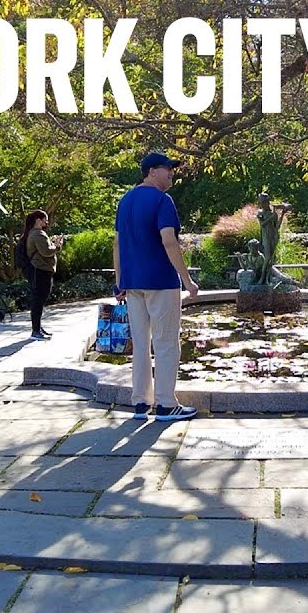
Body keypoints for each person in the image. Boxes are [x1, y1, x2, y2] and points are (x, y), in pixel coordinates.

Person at [114, 151, 200, 422]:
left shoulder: (125, 201)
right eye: (168, 169)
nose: (172, 174)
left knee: (140, 343)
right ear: (152, 171)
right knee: (165, 343)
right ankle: (165, 404)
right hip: (161, 282)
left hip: (133, 284)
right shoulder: (163, 201)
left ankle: (140, 403)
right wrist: (187, 280)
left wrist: (120, 283)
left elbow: (117, 244)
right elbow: (169, 241)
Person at [19, 210, 61, 341]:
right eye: (45, 220)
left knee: (39, 300)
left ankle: (38, 328)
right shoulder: (38, 234)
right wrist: (58, 246)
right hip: (40, 270)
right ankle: (35, 331)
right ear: (38, 220)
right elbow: (46, 251)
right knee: (38, 300)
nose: (46, 222)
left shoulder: (34, 233)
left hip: (40, 270)